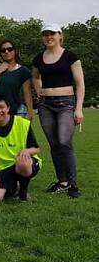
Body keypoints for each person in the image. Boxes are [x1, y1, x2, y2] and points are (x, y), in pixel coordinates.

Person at [32, 23, 84, 198]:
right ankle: (62, 182)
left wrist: (79, 109)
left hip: (66, 104)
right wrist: (38, 89)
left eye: (52, 34)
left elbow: (80, 83)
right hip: (45, 104)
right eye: (45, 34)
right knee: (54, 144)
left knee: (64, 141)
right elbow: (35, 76)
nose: (49, 37)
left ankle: (73, 183)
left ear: (60, 36)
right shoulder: (39, 58)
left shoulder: (70, 57)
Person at [0, 94, 41, 202]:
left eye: (1, 107)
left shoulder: (22, 124)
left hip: (22, 163)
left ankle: (23, 194)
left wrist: (26, 151)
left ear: (8, 108)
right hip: (1, 169)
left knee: (23, 162)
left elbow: (36, 148)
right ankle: (14, 188)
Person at [0, 40, 33, 119]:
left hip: (15, 111)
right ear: (0, 53)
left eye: (10, 49)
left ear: (15, 51)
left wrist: (30, 112)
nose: (6, 52)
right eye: (3, 50)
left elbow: (27, 94)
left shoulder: (23, 71)